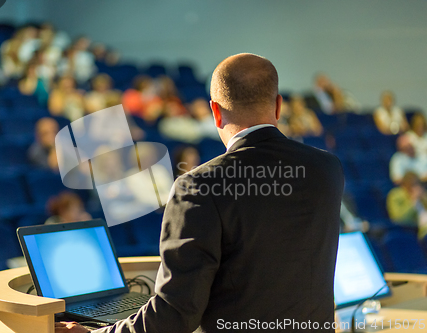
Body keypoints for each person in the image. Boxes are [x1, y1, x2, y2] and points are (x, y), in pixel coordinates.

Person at [56, 53, 344, 333]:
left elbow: (175, 315)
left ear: (215, 111)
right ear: (279, 106)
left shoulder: (199, 185)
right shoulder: (328, 169)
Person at [387, 171, 427, 238]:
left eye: (417, 183)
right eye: (413, 184)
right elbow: (400, 219)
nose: (416, 187)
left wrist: (424, 197)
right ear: (405, 185)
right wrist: (414, 200)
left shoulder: (423, 194)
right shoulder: (396, 196)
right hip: (416, 230)